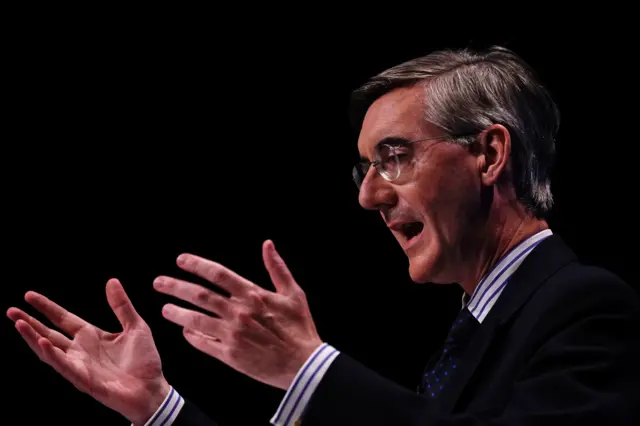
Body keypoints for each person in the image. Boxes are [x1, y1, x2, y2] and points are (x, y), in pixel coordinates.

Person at [7, 45, 640, 426]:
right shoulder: (474, 331)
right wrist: (158, 408)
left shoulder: (584, 305)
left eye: (394, 156)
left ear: (490, 153)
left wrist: (310, 369)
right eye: (363, 169)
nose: (368, 196)